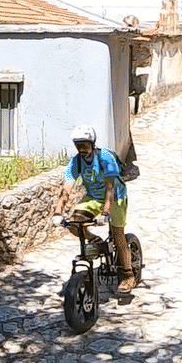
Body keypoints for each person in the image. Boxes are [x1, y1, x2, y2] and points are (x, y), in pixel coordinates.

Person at [66, 124, 138, 291]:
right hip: (93, 197)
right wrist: (57, 212)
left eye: (84, 144)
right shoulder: (76, 161)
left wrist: (106, 213)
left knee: (118, 234)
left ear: (92, 143)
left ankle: (128, 274)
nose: (81, 148)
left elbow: (110, 189)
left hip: (116, 197)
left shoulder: (105, 157)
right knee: (74, 223)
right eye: (77, 145)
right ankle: (94, 241)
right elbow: (66, 189)